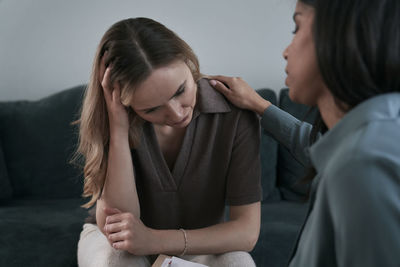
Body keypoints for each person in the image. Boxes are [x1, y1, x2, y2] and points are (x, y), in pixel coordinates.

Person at [209, 0, 400, 266]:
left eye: (297, 28)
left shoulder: (364, 163)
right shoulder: (369, 139)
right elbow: (317, 146)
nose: (286, 51)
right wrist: (258, 105)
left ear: (339, 36)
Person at [75, 17, 262, 267]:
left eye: (180, 91)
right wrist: (118, 129)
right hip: (117, 244)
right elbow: (118, 228)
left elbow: (246, 233)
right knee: (116, 262)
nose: (176, 114)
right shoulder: (113, 118)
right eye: (151, 109)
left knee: (240, 263)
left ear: (188, 60)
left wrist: (155, 241)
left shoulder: (236, 114)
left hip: (198, 242)